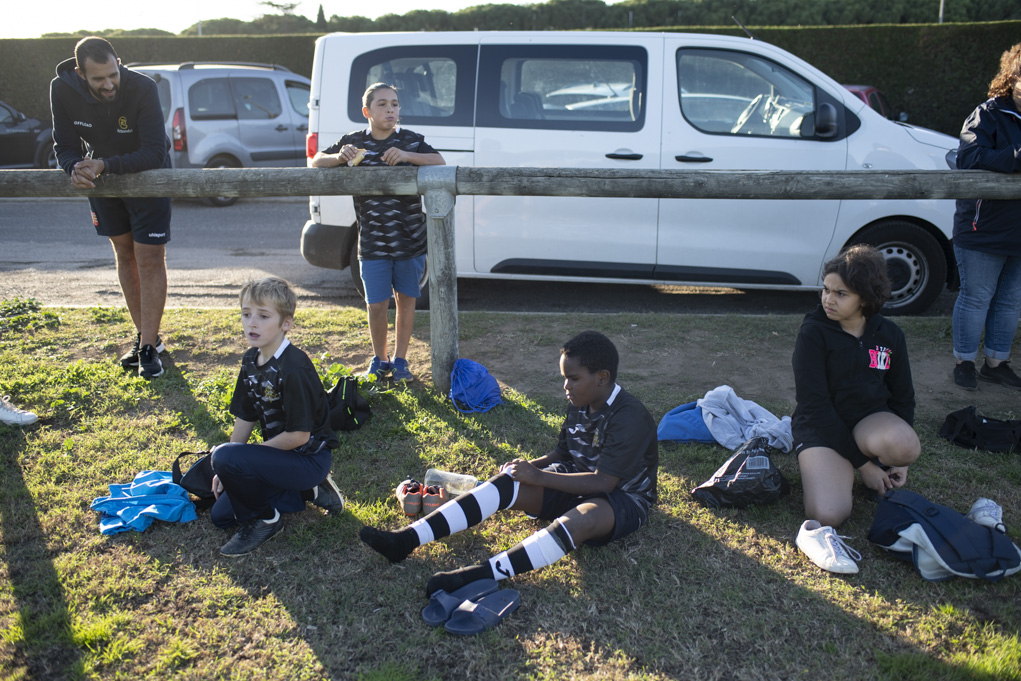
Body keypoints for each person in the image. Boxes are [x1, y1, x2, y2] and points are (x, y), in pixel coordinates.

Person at [359, 330, 658, 596]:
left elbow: (603, 483)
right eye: (564, 377)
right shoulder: (579, 403)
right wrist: (526, 468)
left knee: (584, 519)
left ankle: (479, 574)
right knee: (507, 483)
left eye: (574, 378)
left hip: (622, 498)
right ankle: (406, 540)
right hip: (577, 479)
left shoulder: (629, 416)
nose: (566, 386)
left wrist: (538, 477)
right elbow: (562, 455)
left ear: (602, 377)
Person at [791, 245, 920, 574]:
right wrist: (864, 465)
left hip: (868, 423)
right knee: (828, 514)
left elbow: (903, 398)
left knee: (906, 445)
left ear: (864, 297)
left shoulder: (889, 334)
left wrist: (893, 461)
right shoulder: (813, 333)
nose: (828, 300)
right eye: (826, 289)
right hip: (821, 428)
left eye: (840, 293)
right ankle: (848, 467)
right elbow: (814, 406)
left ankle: (872, 462)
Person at [50, 37, 171, 379]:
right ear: (80, 74)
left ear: (119, 62)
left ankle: (147, 348)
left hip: (148, 177)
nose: (109, 84)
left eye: (113, 74)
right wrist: (74, 166)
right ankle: (149, 340)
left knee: (149, 257)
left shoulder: (143, 88)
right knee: (124, 253)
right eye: (98, 79)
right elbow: (65, 145)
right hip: (103, 178)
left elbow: (154, 152)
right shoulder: (61, 89)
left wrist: (104, 164)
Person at [311, 83, 445, 382]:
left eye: (395, 104)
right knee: (376, 304)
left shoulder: (411, 140)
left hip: (410, 239)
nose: (390, 110)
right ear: (366, 111)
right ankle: (380, 359)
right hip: (371, 241)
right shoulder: (354, 142)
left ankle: (400, 360)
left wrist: (408, 156)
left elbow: (439, 161)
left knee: (406, 300)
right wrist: (339, 158)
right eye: (382, 104)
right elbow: (317, 159)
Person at [210, 277, 344, 557]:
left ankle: (267, 520)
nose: (252, 324)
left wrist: (238, 458)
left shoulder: (294, 367)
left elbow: (299, 436)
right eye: (246, 315)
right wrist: (226, 468)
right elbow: (246, 416)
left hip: (307, 459)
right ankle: (310, 493)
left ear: (286, 323)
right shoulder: (250, 360)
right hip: (278, 458)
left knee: (225, 457)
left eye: (263, 316)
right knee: (220, 515)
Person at [951, 42, 1021, 392]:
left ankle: (996, 363)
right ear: (1012, 77)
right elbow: (968, 156)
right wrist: (1015, 157)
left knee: (1011, 300)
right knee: (976, 296)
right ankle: (964, 362)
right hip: (984, 228)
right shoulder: (988, 113)